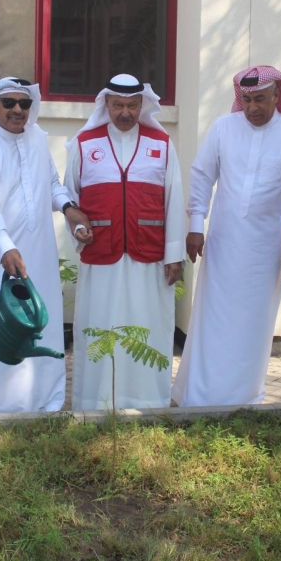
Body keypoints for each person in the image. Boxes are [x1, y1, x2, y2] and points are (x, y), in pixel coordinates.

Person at [172, 66, 281, 407]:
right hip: (222, 243)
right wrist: (194, 227)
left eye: (260, 99)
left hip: (266, 248)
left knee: (253, 323)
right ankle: (198, 395)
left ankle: (244, 397)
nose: (252, 108)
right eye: (246, 100)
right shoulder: (223, 128)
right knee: (213, 318)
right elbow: (203, 175)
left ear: (278, 97)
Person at [0, 77, 90, 414]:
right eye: (9, 103)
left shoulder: (38, 142)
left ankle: (42, 402)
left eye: (24, 104)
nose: (17, 110)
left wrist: (70, 210)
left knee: (40, 328)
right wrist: (6, 248)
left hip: (38, 258)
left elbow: (53, 185)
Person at [64, 74, 186, 410]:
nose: (125, 113)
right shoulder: (85, 144)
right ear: (106, 104)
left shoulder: (160, 145)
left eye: (132, 105)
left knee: (148, 328)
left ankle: (149, 402)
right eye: (118, 105)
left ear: (142, 105)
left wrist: (174, 255)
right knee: (99, 324)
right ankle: (95, 403)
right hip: (101, 256)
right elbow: (68, 198)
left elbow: (174, 199)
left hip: (150, 258)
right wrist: (77, 230)